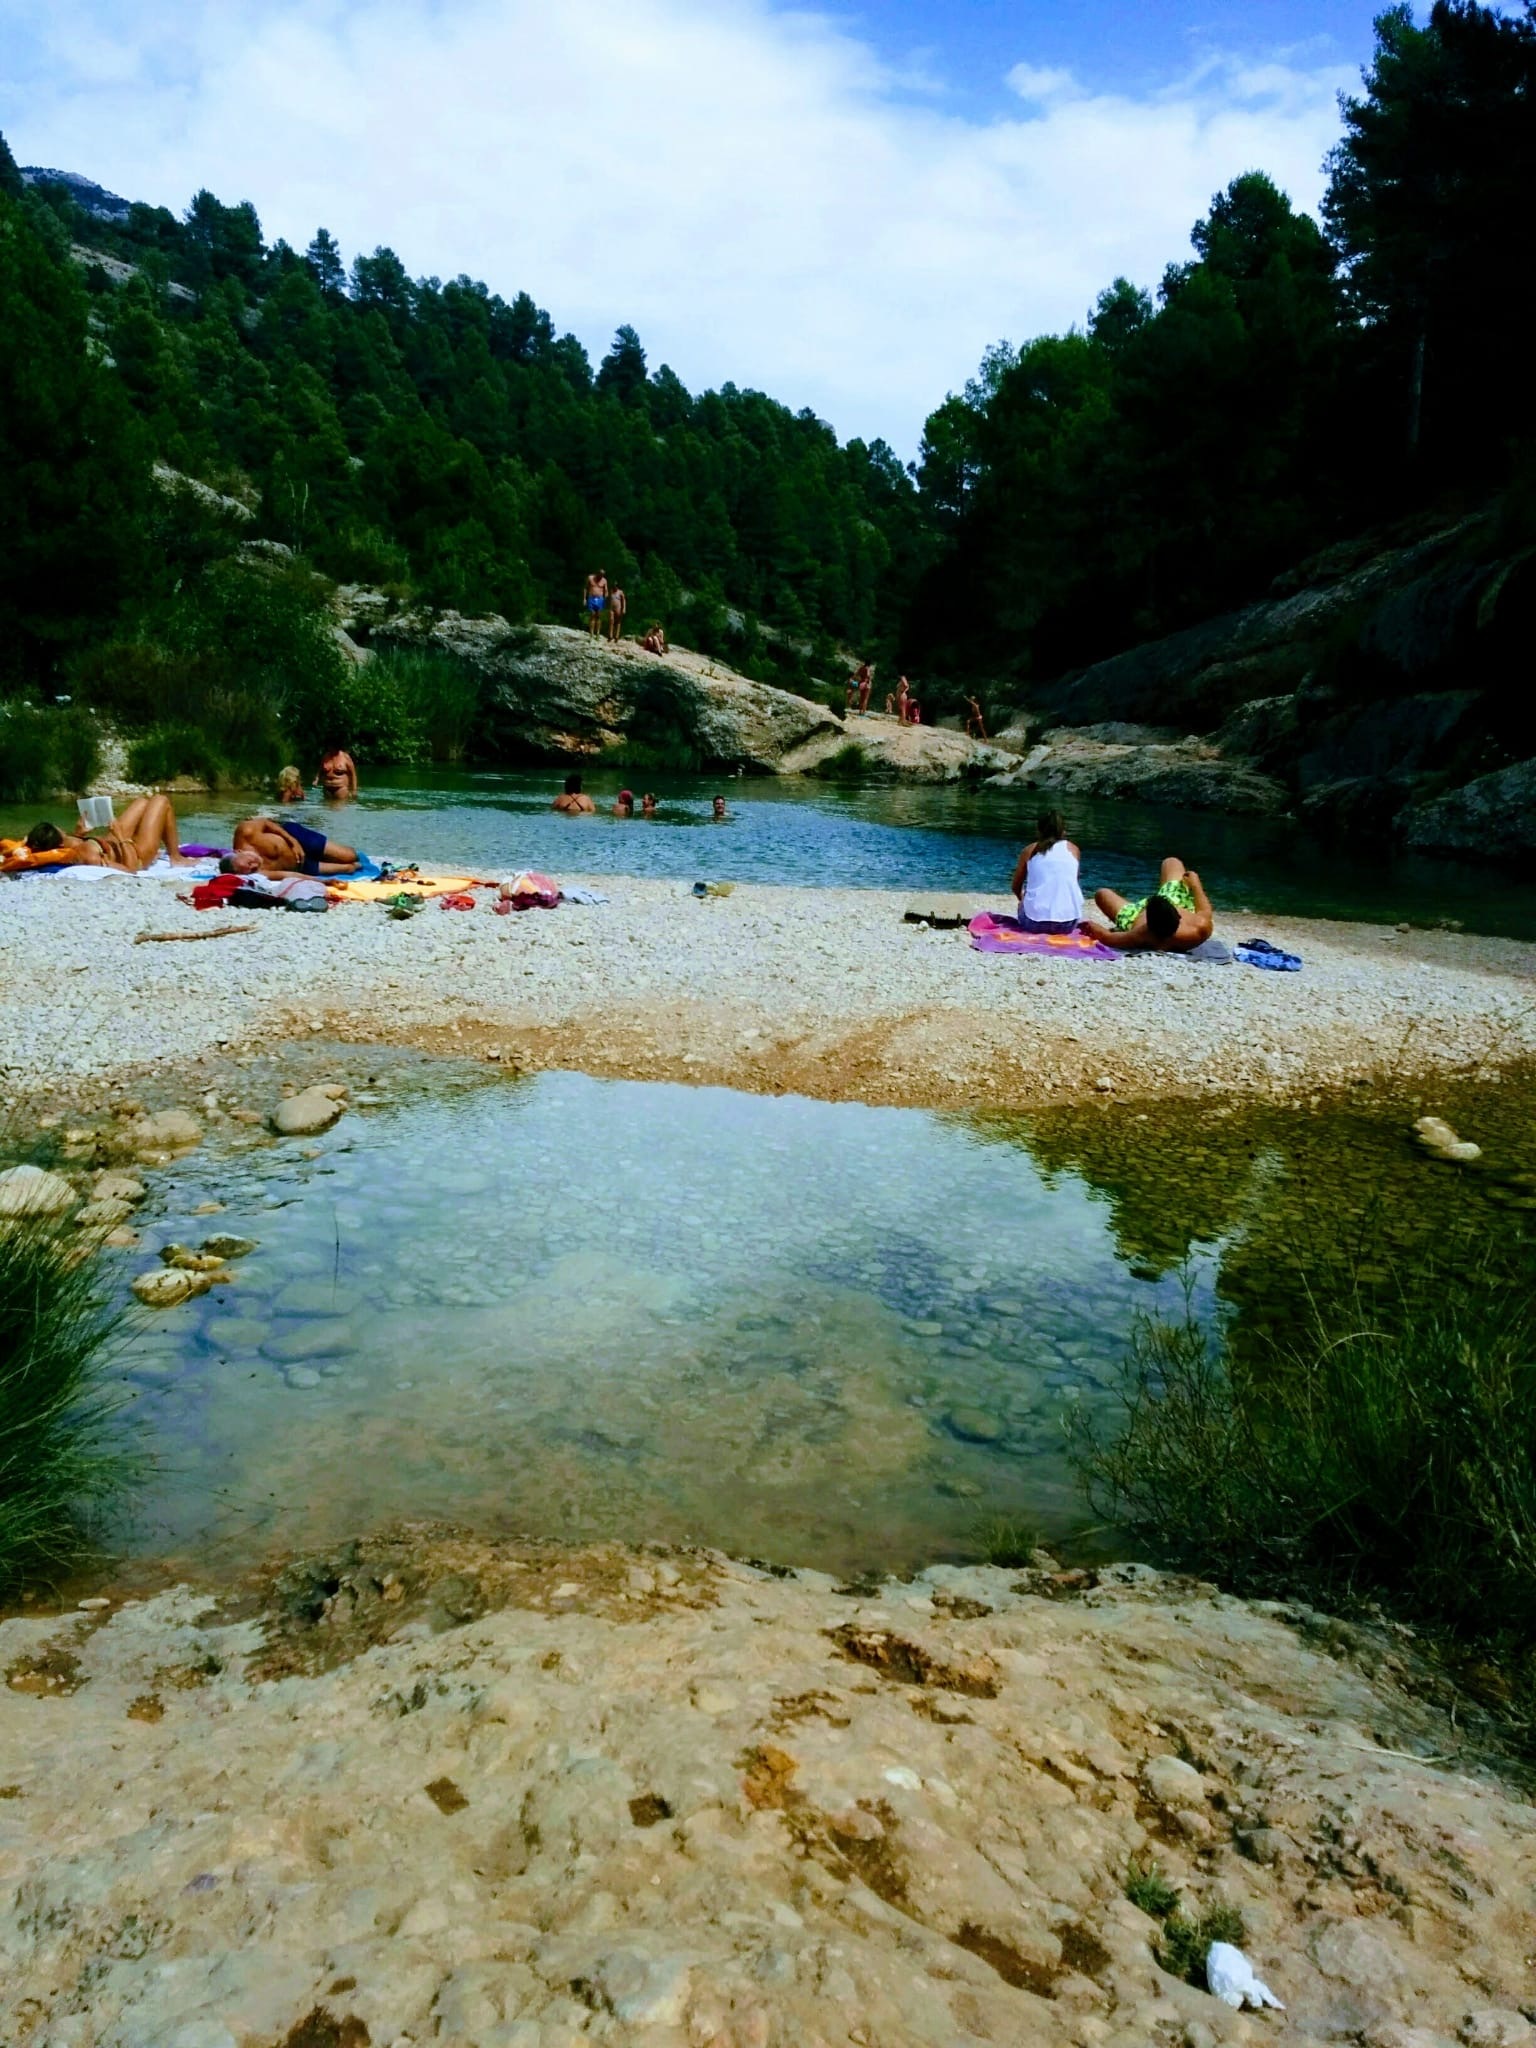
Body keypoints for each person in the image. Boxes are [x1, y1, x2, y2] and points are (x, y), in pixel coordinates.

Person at [22, 794, 192, 872]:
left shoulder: (67, 843)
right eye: (59, 830)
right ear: (57, 843)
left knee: (142, 802)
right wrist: (121, 837)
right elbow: (130, 870)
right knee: (161, 801)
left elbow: (77, 846)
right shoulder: (89, 857)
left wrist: (79, 834)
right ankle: (175, 858)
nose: (62, 829)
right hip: (137, 854)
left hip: (111, 844)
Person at [1094, 856, 1214, 953]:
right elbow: (1205, 910)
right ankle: (1166, 899)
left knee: (1102, 894)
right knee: (1172, 861)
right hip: (1173, 902)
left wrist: (1087, 924)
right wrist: (1195, 884)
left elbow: (1107, 937)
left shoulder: (1141, 934)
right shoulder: (1199, 929)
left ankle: (1160, 900)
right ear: (1179, 916)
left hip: (1134, 915)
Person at [1009, 809, 1082, 933]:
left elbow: (1016, 886)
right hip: (1068, 924)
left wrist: (1023, 900)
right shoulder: (1073, 850)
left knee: (1024, 904)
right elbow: (1072, 882)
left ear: (1039, 830)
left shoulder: (1030, 850)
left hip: (1035, 924)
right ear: (1063, 830)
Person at [231, 816, 358, 875]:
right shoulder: (248, 873)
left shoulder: (245, 832)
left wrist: (293, 841)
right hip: (302, 867)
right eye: (252, 869)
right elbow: (287, 875)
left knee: (350, 856)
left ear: (239, 851)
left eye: (249, 862)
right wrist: (324, 882)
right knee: (349, 868)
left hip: (296, 839)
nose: (255, 865)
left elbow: (266, 823)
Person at [583, 570, 608, 635]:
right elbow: (585, 588)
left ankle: (598, 632)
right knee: (592, 614)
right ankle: (591, 632)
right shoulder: (590, 578)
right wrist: (584, 599)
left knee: (599, 615)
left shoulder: (604, 580)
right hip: (591, 598)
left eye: (602, 575)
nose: (601, 576)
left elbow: (606, 590)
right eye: (600, 574)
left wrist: (605, 597)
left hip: (600, 599)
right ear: (597, 573)